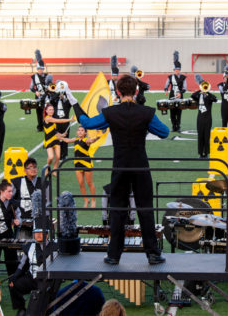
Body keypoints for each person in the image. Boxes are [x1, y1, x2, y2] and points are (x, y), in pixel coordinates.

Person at [73, 74, 169, 265]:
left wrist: (75, 104)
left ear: (117, 92)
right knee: (145, 209)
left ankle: (113, 255)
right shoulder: (147, 112)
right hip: (141, 166)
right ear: (136, 91)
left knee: (117, 210)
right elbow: (164, 132)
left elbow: (87, 123)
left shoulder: (110, 112)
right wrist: (145, 126)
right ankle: (152, 253)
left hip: (120, 166)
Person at [9, 225, 57, 316]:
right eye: (36, 233)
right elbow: (22, 264)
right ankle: (21, 308)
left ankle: (45, 311)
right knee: (13, 285)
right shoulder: (29, 246)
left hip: (46, 279)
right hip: (31, 277)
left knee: (41, 297)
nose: (38, 235)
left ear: (46, 235)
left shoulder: (54, 246)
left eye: (40, 233)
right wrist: (14, 277)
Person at [58, 126, 99, 208]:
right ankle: (86, 200)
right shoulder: (75, 140)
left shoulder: (86, 140)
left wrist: (95, 139)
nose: (80, 132)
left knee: (89, 183)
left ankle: (93, 200)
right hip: (77, 164)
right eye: (78, 130)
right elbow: (67, 140)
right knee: (81, 183)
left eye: (82, 130)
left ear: (85, 133)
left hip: (86, 164)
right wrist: (60, 137)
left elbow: (91, 140)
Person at [11, 158, 43, 237]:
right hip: (22, 222)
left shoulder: (43, 182)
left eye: (35, 167)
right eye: (30, 167)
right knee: (23, 247)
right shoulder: (17, 182)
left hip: (39, 222)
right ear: (25, 170)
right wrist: (14, 217)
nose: (33, 169)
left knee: (40, 246)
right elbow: (10, 200)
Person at [43, 104, 74, 176]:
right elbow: (59, 120)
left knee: (58, 156)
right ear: (46, 111)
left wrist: (61, 135)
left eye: (52, 109)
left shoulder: (52, 118)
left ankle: (54, 170)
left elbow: (54, 132)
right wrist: (69, 119)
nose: (51, 111)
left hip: (56, 140)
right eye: (50, 110)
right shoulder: (47, 118)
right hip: (48, 141)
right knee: (51, 157)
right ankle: (47, 168)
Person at [191, 74, 218, 158]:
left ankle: (206, 153)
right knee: (200, 136)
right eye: (202, 86)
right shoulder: (198, 95)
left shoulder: (209, 96)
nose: (204, 87)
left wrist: (207, 92)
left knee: (206, 136)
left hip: (207, 119)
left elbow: (215, 99)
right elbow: (192, 95)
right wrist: (200, 90)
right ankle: (200, 153)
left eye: (204, 86)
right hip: (200, 119)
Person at [164, 51, 187, 132]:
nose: (176, 71)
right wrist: (166, 90)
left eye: (178, 69)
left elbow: (185, 88)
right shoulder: (170, 77)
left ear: (180, 70)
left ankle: (178, 126)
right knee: (172, 111)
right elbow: (166, 85)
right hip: (172, 96)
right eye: (175, 69)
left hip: (180, 96)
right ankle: (174, 126)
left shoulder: (183, 77)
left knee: (179, 112)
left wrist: (180, 93)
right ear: (173, 70)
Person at [49, 80, 72, 160]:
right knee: (58, 138)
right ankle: (58, 153)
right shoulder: (54, 100)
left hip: (65, 121)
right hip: (57, 121)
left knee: (65, 138)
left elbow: (71, 102)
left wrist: (64, 93)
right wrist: (58, 93)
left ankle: (64, 154)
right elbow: (51, 100)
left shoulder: (66, 101)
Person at [30, 49, 48, 132]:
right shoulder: (34, 77)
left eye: (41, 69)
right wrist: (35, 91)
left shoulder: (47, 76)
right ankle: (39, 126)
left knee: (46, 112)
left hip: (46, 96)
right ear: (37, 69)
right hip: (38, 96)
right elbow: (31, 87)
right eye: (39, 69)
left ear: (43, 69)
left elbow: (51, 86)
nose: (40, 70)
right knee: (38, 112)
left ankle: (45, 126)